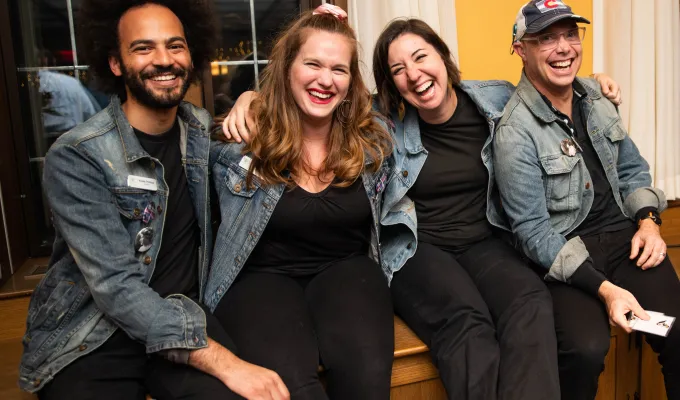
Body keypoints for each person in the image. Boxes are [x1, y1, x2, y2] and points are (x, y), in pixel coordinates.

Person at [222, 5, 622, 399]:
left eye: (420, 57)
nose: (413, 75)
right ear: (391, 84)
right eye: (398, 70)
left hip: (486, 242)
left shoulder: (496, 99)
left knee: (532, 303)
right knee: (468, 324)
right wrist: (252, 98)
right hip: (418, 246)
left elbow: (546, 88)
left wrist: (592, 85)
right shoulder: (381, 119)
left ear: (443, 57)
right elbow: (316, 96)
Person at [19, 1, 289, 399]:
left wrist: (253, 98)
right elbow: (117, 288)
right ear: (115, 63)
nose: (165, 60)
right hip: (94, 334)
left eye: (175, 46)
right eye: (144, 48)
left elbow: (248, 158)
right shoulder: (77, 155)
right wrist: (225, 362)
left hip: (184, 312)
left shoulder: (196, 129)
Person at [494, 1, 680, 399]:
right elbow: (532, 231)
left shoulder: (596, 95)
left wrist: (648, 221)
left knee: (676, 328)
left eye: (569, 34)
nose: (563, 47)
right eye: (546, 38)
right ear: (520, 49)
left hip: (626, 242)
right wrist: (606, 290)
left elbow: (632, 170)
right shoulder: (514, 131)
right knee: (585, 349)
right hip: (566, 260)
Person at [206, 9, 395, 400]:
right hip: (259, 279)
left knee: (368, 380)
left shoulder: (372, 142)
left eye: (339, 69)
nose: (326, 80)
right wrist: (249, 97)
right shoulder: (241, 141)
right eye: (312, 64)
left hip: (347, 271)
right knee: (291, 390)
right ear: (287, 68)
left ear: (351, 80)